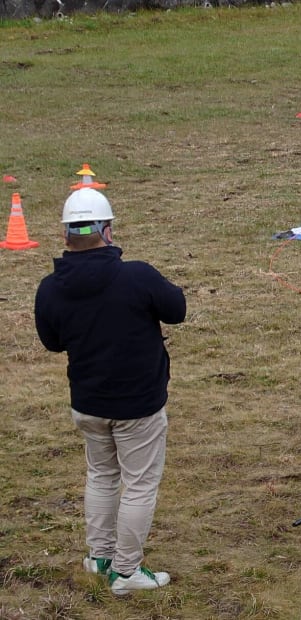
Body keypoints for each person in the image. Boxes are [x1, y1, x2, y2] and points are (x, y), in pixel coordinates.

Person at [34, 187, 187, 595]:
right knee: (139, 485)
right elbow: (178, 310)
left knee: (101, 477)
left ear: (66, 234)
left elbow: (52, 341)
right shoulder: (137, 275)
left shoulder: (50, 288)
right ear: (108, 231)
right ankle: (126, 571)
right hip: (139, 406)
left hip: (88, 403)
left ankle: (99, 557)